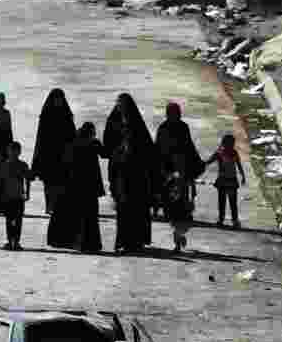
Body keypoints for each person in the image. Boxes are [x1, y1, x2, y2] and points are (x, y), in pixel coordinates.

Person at [103, 93, 155, 253]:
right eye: (119, 104)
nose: (121, 108)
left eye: (123, 105)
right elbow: (108, 146)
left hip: (137, 175)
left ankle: (136, 242)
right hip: (121, 175)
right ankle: (124, 242)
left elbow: (148, 151)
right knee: (123, 209)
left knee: (137, 209)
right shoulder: (114, 122)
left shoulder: (136, 126)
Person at [31, 88, 77, 223]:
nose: (58, 101)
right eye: (56, 99)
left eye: (60, 98)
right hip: (48, 154)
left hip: (63, 154)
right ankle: (49, 206)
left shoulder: (67, 115)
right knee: (49, 183)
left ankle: (59, 206)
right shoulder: (46, 116)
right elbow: (40, 138)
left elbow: (72, 135)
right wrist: (38, 157)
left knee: (62, 182)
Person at [62, 122, 106, 253]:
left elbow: (66, 161)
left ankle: (80, 244)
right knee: (91, 216)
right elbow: (105, 153)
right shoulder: (94, 143)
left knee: (80, 215)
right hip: (91, 185)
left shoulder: (74, 143)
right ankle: (92, 244)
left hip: (77, 184)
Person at [155, 101, 204, 206]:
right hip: (166, 160)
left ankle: (183, 200)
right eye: (172, 113)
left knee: (185, 173)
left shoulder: (183, 127)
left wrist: (196, 160)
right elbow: (158, 146)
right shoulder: (163, 127)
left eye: (176, 113)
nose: (174, 116)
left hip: (181, 160)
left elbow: (188, 145)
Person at [203, 134, 247, 228]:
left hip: (230, 180)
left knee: (232, 202)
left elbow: (238, 164)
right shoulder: (220, 153)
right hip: (224, 180)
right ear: (224, 144)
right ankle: (222, 219)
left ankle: (233, 220)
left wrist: (243, 176)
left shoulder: (233, 153)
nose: (231, 145)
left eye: (232, 144)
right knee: (223, 201)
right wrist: (201, 164)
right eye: (229, 144)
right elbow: (209, 161)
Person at [0, 141, 31, 251]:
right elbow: (0, 181)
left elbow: (27, 180)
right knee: (8, 220)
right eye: (11, 151)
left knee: (18, 220)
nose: (13, 153)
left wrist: (27, 193)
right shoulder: (4, 165)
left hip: (18, 196)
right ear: (8, 151)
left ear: (19, 152)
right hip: (7, 196)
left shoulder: (23, 165)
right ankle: (9, 241)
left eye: (16, 151)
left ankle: (16, 241)